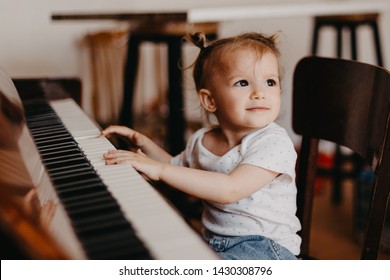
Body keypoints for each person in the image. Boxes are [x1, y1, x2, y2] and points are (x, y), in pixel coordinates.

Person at [101, 32, 301, 260]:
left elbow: (230, 189)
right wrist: (143, 143)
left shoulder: (273, 142)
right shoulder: (202, 139)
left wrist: (159, 169)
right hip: (214, 242)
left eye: (270, 82)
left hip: (267, 249)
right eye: (243, 82)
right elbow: (174, 167)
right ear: (210, 100)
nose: (260, 93)